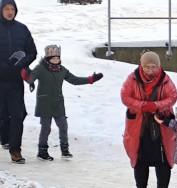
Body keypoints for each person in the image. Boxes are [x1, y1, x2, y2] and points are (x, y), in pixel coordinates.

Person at [23, 44, 102, 161]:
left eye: (58, 58)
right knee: (46, 128)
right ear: (48, 59)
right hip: (45, 104)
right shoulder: (40, 69)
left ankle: (65, 150)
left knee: (63, 126)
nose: (56, 60)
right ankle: (42, 152)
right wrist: (25, 73)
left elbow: (74, 80)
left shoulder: (62, 70)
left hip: (58, 104)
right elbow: (30, 79)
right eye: (54, 58)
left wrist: (90, 79)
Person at [120, 51, 177, 188]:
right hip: (139, 126)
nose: (151, 70)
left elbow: (172, 97)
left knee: (163, 160)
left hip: (160, 126)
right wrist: (143, 106)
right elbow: (125, 96)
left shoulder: (165, 80)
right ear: (141, 65)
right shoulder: (132, 79)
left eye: (154, 67)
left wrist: (156, 106)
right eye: (147, 67)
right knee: (139, 160)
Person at [0, 0, 36, 164]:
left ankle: (16, 150)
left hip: (15, 80)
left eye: (12, 9)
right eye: (6, 9)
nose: (10, 12)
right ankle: (4, 136)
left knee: (17, 114)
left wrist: (21, 64)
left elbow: (32, 52)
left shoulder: (22, 29)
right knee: (2, 114)